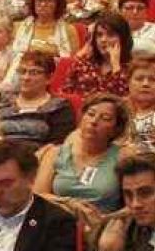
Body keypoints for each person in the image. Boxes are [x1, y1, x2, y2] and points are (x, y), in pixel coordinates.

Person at [36, 94, 127, 223]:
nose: (94, 121)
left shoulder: (123, 156)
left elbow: (137, 202)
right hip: (58, 222)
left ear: (116, 129)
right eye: (90, 114)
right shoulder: (55, 153)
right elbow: (38, 196)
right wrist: (68, 202)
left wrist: (107, 219)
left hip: (102, 226)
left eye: (105, 118)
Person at [0, 50, 76, 152]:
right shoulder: (2, 100)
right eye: (22, 71)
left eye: (34, 73)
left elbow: (58, 146)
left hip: (38, 160)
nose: (26, 78)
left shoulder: (59, 107)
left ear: (49, 78)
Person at [62, 13, 132, 97]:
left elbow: (125, 98)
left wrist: (116, 66)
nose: (103, 40)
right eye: (99, 35)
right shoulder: (82, 65)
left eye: (111, 35)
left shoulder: (132, 68)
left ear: (123, 38)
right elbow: (65, 96)